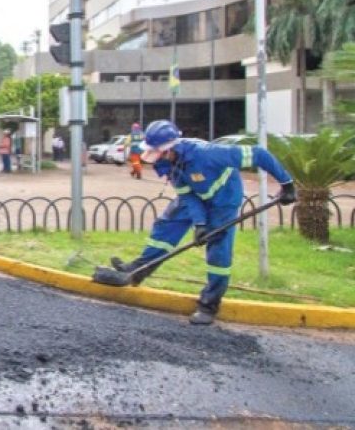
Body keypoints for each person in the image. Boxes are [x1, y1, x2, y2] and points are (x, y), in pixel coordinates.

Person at [109, 120, 295, 326]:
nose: (155, 158)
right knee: (167, 225)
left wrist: (286, 183)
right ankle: (137, 271)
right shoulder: (171, 164)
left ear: (170, 148)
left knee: (218, 249)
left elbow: (259, 154)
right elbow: (188, 196)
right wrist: (199, 223)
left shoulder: (208, 153)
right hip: (197, 195)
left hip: (224, 201)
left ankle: (209, 304)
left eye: (158, 153)